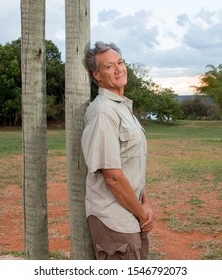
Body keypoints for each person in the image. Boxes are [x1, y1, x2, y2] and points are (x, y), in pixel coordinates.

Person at [81, 41, 154, 260]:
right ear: (97, 75)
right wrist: (142, 214)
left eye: (120, 62)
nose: (118, 69)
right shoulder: (103, 112)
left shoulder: (121, 107)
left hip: (132, 214)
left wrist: (145, 202)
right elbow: (112, 177)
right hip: (114, 220)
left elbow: (132, 165)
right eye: (109, 66)